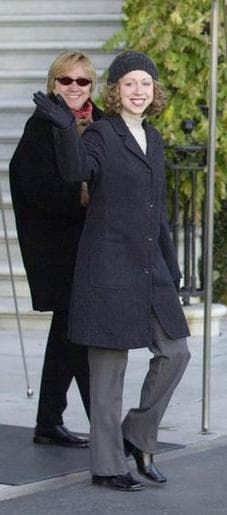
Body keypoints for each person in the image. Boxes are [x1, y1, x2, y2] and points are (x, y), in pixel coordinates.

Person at [31, 50, 191, 492]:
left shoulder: (154, 138)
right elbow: (76, 170)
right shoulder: (100, 134)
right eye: (129, 84)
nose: (138, 91)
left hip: (150, 267)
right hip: (105, 268)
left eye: (145, 84)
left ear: (153, 91)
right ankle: (107, 465)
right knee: (108, 371)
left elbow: (156, 210)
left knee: (176, 352)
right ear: (115, 91)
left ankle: (136, 435)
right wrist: (66, 127)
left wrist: (171, 265)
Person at [9, 50, 100, 448]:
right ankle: (105, 428)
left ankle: (49, 420)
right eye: (67, 81)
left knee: (66, 335)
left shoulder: (100, 122)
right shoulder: (41, 126)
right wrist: (81, 197)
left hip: (91, 244)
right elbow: (30, 181)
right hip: (60, 248)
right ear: (53, 84)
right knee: (76, 335)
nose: (75, 89)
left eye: (83, 82)